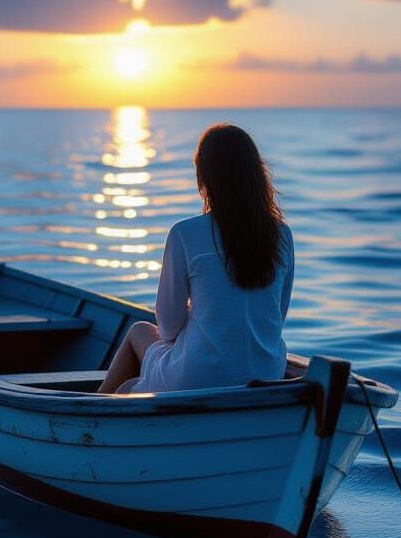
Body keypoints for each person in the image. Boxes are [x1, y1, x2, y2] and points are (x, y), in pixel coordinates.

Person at [97, 123, 294, 394]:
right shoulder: (282, 236)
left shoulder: (185, 234)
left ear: (204, 176)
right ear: (256, 173)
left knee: (136, 346)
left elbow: (168, 327)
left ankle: (89, 414)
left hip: (200, 376)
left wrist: (198, 314)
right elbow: (274, 318)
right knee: (137, 380)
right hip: (266, 374)